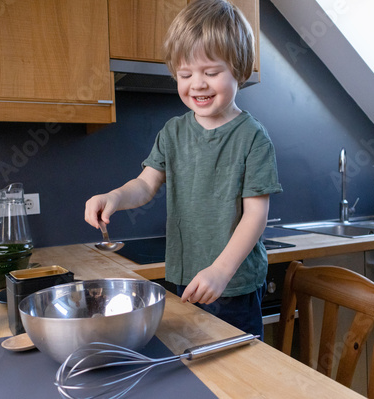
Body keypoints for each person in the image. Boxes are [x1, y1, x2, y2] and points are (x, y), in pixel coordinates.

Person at [84, 0, 282, 339]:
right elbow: (145, 185)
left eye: (211, 72)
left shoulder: (252, 137)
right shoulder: (173, 132)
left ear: (240, 70)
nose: (198, 84)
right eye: (185, 74)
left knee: (235, 377)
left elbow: (255, 217)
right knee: (190, 367)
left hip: (232, 285)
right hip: (182, 277)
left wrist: (220, 271)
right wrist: (114, 196)